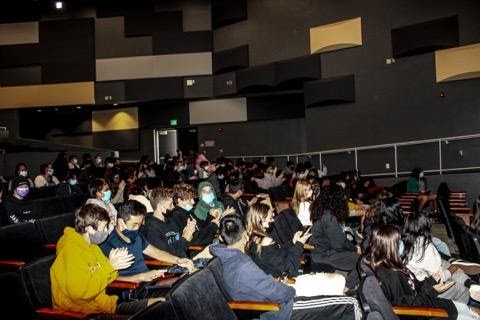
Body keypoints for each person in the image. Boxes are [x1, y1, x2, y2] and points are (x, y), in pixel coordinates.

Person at [50, 203, 164, 316]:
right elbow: (79, 295)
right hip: (85, 313)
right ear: (89, 228)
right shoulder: (70, 251)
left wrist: (117, 264)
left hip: (106, 305)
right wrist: (110, 266)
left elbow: (107, 278)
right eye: (103, 228)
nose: (106, 232)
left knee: (161, 304)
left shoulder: (93, 247)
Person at [364, 224, 480, 320]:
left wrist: (432, 281)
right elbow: (407, 305)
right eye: (399, 242)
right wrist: (433, 291)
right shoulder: (390, 275)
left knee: (472, 310)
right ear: (390, 247)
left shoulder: (392, 264)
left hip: (431, 303)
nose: (402, 244)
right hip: (427, 311)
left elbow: (414, 287)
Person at [209, 214, 296, 320]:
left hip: (265, 301)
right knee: (322, 303)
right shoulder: (243, 265)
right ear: (245, 235)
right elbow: (279, 293)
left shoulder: (224, 256)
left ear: (221, 238)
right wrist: (292, 290)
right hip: (276, 310)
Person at [100, 200, 194, 283]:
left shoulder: (136, 236)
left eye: (140, 224)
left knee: (190, 279)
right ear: (121, 222)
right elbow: (106, 277)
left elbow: (156, 253)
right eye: (134, 224)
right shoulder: (107, 244)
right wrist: (139, 277)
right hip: (131, 288)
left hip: (148, 281)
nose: (137, 228)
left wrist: (178, 260)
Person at [403, 212, 480, 304]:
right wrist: (450, 270)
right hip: (431, 289)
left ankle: (468, 282)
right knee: (463, 290)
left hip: (420, 279)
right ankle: (463, 308)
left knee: (447, 264)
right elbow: (438, 278)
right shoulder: (425, 246)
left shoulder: (404, 242)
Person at [246, 203, 309, 277]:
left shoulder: (255, 237)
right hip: (283, 279)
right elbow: (288, 268)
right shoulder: (265, 241)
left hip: (279, 274)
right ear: (261, 221)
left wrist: (293, 242)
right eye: (270, 218)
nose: (273, 220)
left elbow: (279, 252)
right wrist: (300, 244)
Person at [309, 186, 360, 272]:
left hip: (321, 251)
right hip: (325, 254)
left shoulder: (322, 211)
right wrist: (356, 249)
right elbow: (339, 244)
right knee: (362, 261)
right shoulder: (330, 217)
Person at [141, 187, 196, 258]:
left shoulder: (170, 221)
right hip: (171, 264)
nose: (173, 207)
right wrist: (185, 237)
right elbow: (166, 254)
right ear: (160, 206)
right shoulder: (150, 228)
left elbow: (182, 245)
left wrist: (189, 233)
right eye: (170, 204)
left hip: (184, 258)